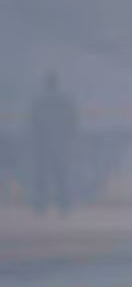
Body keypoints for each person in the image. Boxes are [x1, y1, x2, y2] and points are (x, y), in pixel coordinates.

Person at [28, 72, 80, 216]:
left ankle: (40, 208)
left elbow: (33, 125)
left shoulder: (39, 102)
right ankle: (64, 208)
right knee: (61, 179)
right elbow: (72, 123)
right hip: (60, 148)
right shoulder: (65, 102)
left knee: (42, 180)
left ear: (46, 84)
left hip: (43, 148)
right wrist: (68, 141)